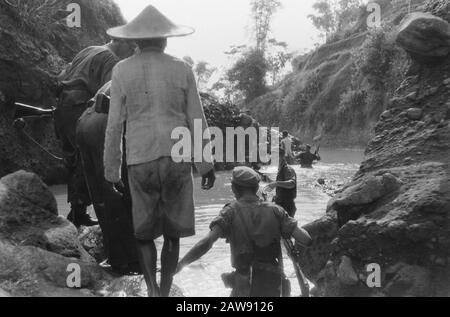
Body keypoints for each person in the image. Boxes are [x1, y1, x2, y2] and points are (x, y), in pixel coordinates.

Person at [104, 6, 216, 297]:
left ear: (135, 42)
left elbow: (114, 125)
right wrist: (205, 165)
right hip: (177, 156)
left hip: (139, 158)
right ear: (165, 40)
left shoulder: (121, 70)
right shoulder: (181, 68)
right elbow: (196, 120)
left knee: (143, 233)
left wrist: (111, 170)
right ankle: (165, 292)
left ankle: (152, 290)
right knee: (172, 232)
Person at [177, 167, 312, 297]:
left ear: (234, 188)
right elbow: (305, 239)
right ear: (256, 188)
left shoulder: (230, 212)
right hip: (273, 282)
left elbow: (206, 243)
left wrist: (179, 265)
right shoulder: (276, 211)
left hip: (244, 283)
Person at [55, 38, 135, 227]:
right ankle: (95, 212)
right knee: (88, 158)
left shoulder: (90, 48)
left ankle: (78, 212)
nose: (131, 53)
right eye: (131, 48)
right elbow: (109, 94)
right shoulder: (111, 60)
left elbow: (61, 75)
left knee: (74, 161)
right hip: (79, 107)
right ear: (121, 43)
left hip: (63, 107)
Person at [76, 82, 140, 275]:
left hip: (84, 122)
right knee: (121, 192)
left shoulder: (120, 72)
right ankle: (133, 261)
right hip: (105, 123)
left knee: (100, 196)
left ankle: (117, 258)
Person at [265, 148, 297, 217]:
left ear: (282, 157)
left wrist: (276, 183)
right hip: (280, 204)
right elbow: (281, 184)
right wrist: (270, 181)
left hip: (287, 206)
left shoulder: (287, 169)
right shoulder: (281, 169)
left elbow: (292, 183)